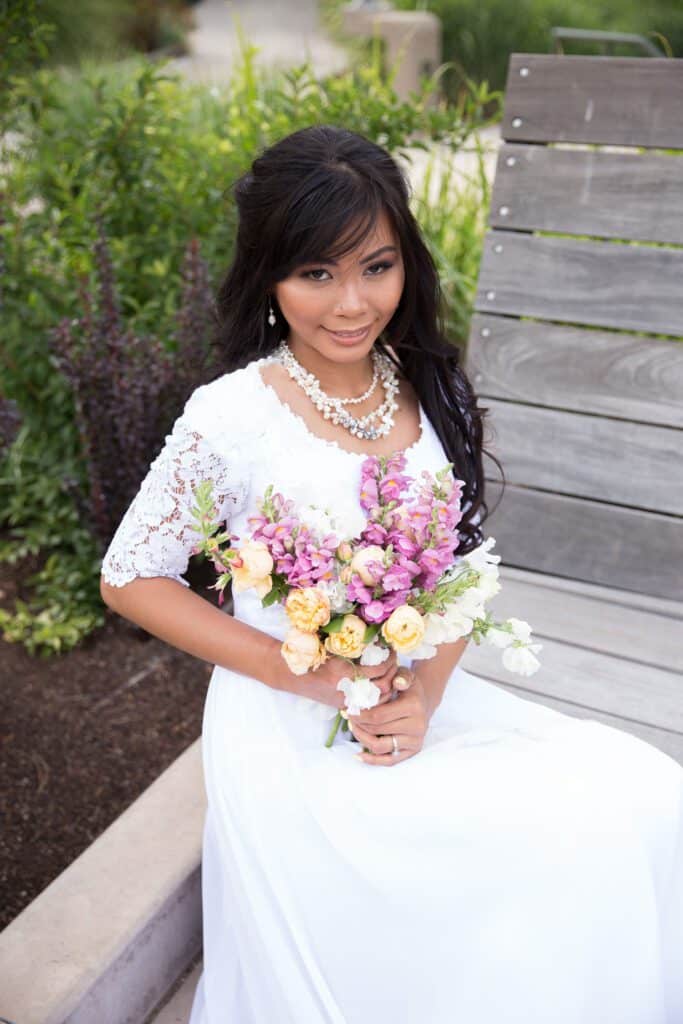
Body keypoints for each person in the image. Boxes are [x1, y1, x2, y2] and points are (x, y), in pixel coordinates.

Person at [100, 125, 683, 1023]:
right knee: (561, 844)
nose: (350, 304)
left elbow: (463, 561)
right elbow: (130, 577)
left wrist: (424, 696)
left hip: (411, 700)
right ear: (269, 276)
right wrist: (317, 677)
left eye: (375, 266)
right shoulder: (231, 416)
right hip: (289, 731)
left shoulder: (425, 382)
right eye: (316, 273)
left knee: (645, 793)